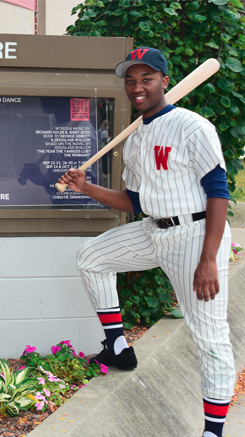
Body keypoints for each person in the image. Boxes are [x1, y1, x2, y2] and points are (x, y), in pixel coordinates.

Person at [58, 47, 233, 437]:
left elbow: (218, 191)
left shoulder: (193, 127)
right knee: (91, 256)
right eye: (131, 80)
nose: (137, 87)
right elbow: (134, 202)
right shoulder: (135, 140)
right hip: (155, 230)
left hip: (196, 235)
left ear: (165, 81)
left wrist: (208, 259)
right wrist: (88, 188)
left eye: (147, 79)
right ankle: (118, 346)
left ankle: (213, 431)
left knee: (210, 337)